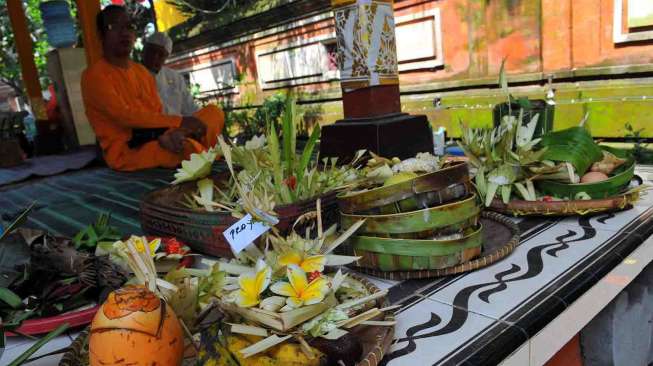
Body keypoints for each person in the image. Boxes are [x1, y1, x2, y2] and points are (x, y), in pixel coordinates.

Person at [81, 5, 224, 171]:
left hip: (161, 134)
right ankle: (194, 145)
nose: (124, 32)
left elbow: (156, 113)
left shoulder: (141, 72)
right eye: (115, 26)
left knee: (214, 112)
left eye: (129, 27)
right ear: (101, 35)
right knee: (190, 149)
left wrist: (175, 130)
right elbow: (125, 117)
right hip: (130, 150)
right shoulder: (94, 75)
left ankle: (183, 138)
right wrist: (180, 123)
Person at [142, 32, 198, 116]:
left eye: (161, 54)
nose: (155, 57)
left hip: (178, 126)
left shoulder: (176, 77)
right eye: (152, 51)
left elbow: (191, 108)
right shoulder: (131, 74)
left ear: (166, 58)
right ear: (144, 51)